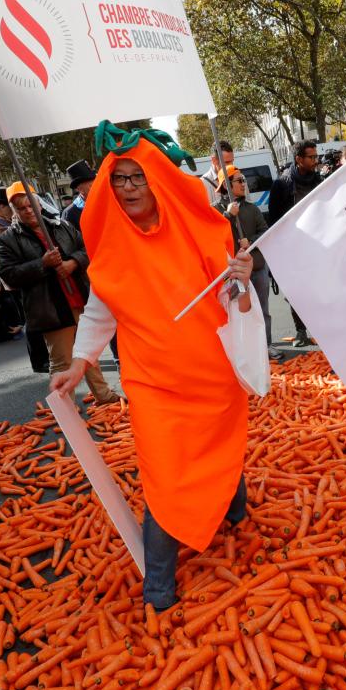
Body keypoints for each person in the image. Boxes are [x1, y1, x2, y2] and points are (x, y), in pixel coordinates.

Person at [52, 123, 256, 610]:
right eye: (118, 179)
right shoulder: (111, 245)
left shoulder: (200, 232)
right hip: (152, 384)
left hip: (212, 378)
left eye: (137, 177)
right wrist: (80, 362)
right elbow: (101, 311)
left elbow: (236, 301)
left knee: (218, 448)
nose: (128, 189)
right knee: (164, 474)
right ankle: (159, 587)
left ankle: (236, 511)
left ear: (157, 181)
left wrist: (244, 280)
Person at [0, 181, 121, 400]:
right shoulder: (7, 240)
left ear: (40, 205)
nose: (28, 211)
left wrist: (73, 262)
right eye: (22, 208)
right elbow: (9, 276)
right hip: (50, 307)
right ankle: (66, 408)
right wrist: (42, 264)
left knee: (88, 352)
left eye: (31, 205)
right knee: (62, 360)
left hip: (79, 298)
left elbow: (88, 248)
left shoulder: (60, 225)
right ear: (14, 212)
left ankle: (103, 394)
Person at [215, 164, 278, 362]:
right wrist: (227, 217)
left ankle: (266, 346)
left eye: (244, 180)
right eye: (239, 181)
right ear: (226, 184)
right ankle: (242, 352)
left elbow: (265, 231)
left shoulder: (252, 208)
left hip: (257, 268)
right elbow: (212, 236)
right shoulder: (216, 210)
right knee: (235, 315)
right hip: (231, 273)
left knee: (263, 310)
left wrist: (250, 241)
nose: (244, 184)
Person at [268, 139, 322, 347]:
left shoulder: (320, 180)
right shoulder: (281, 184)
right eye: (311, 157)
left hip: (317, 247)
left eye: (316, 156)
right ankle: (301, 331)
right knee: (296, 293)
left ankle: (323, 329)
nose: (315, 160)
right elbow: (273, 223)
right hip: (292, 251)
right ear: (299, 159)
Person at [62, 160, 96, 233]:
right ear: (80, 190)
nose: (97, 188)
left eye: (97, 184)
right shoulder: (70, 213)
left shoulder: (106, 203)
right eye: (92, 186)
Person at [200, 140, 234, 206]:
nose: (231, 166)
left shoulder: (240, 178)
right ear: (214, 160)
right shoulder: (202, 184)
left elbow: (247, 207)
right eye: (227, 162)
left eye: (232, 161)